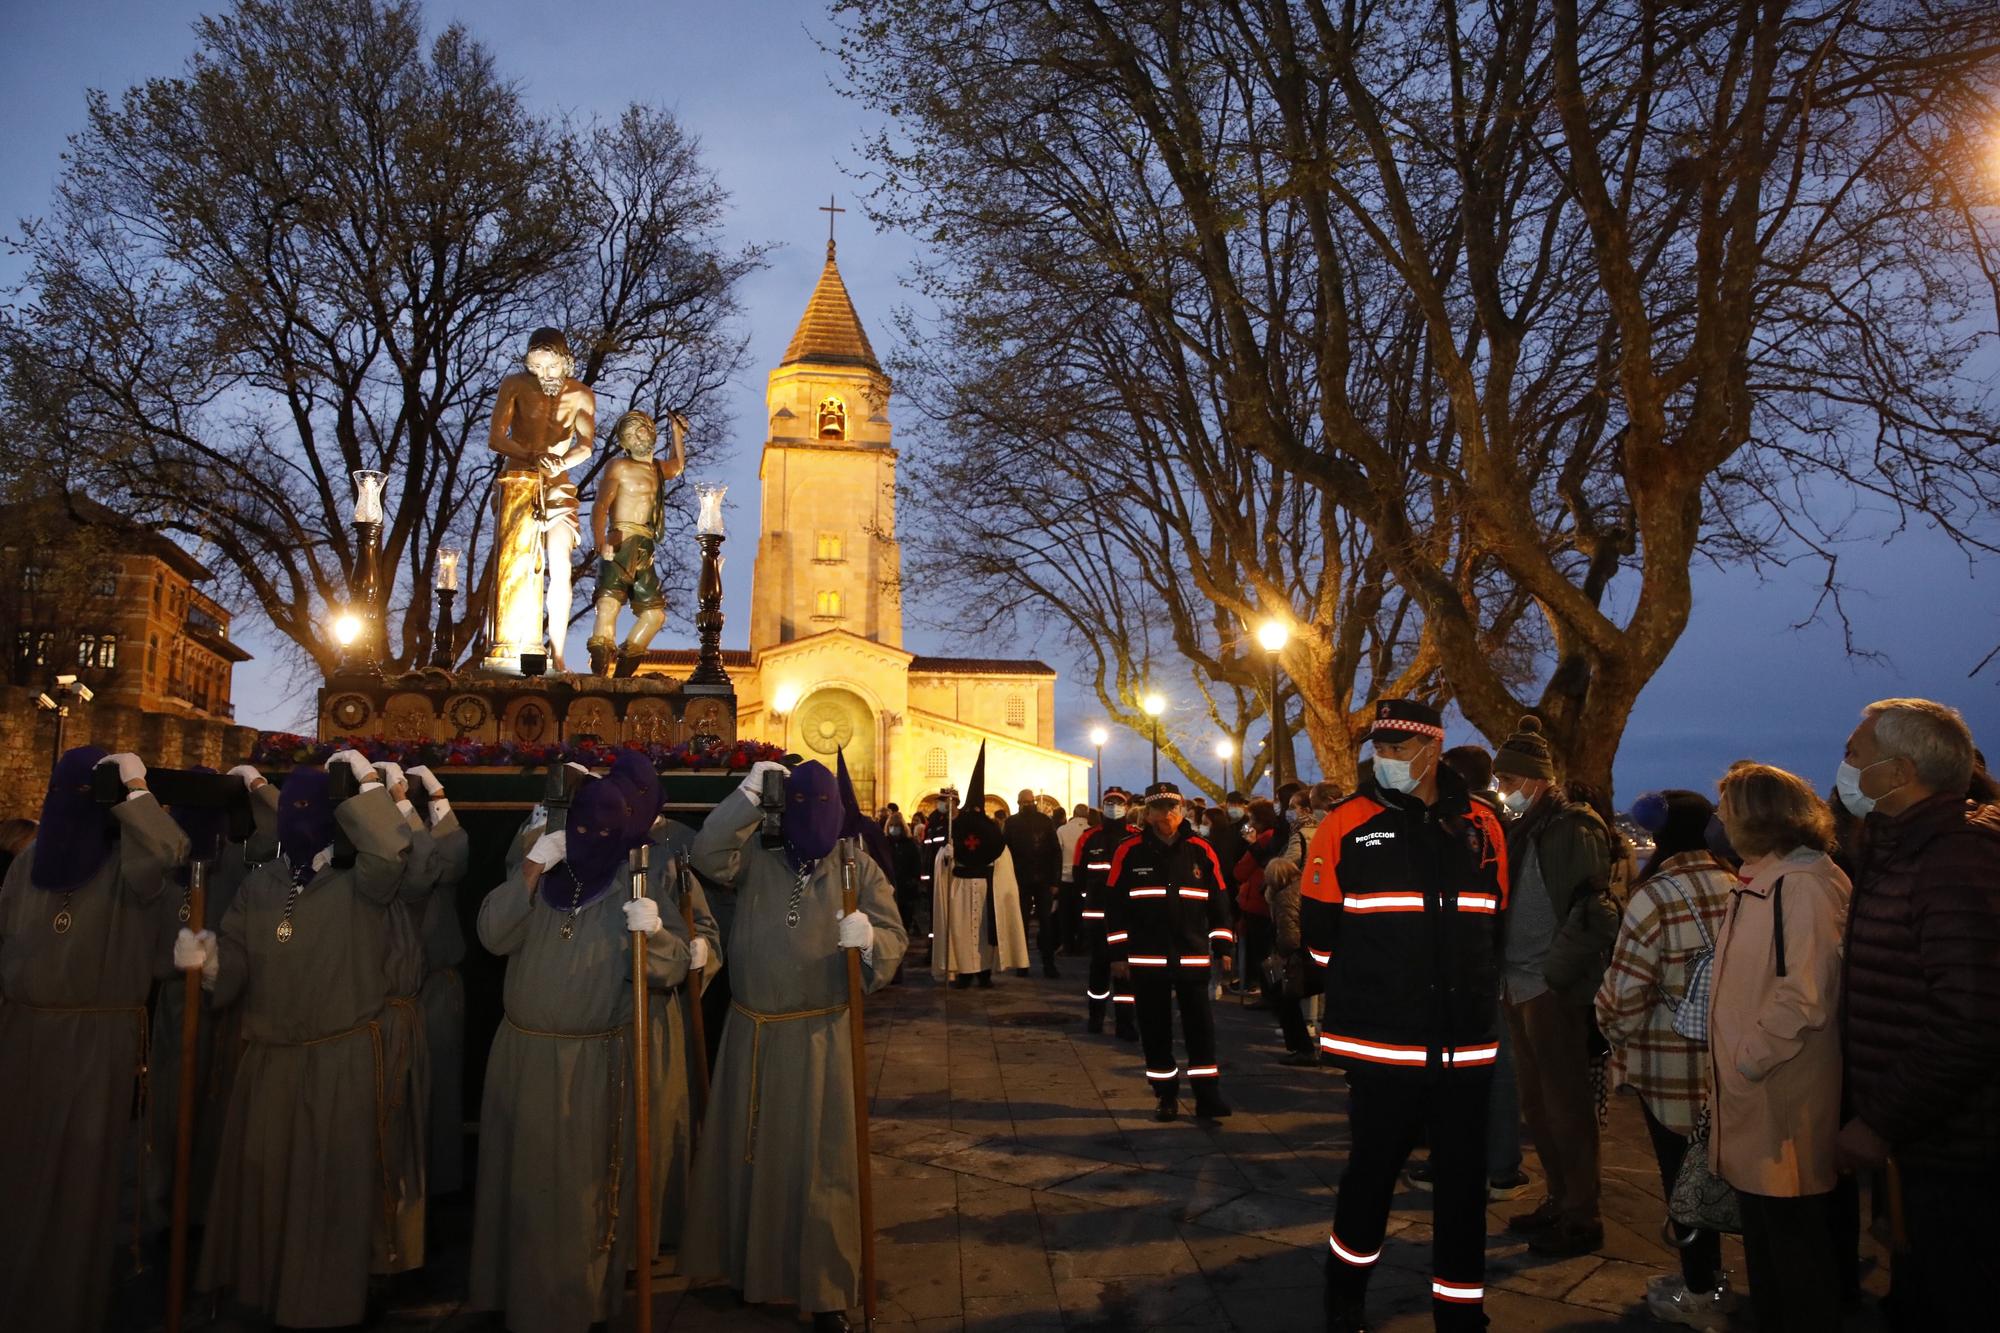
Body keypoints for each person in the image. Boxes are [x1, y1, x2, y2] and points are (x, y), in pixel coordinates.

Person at [191, 751, 423, 1327]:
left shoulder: (362, 882)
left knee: (329, 1190)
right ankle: (269, 1292)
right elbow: (239, 952)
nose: (297, 817)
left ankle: (326, 1304)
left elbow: (393, 850)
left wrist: (363, 785)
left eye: (310, 807)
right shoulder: (261, 882)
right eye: (289, 805)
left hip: (339, 1057)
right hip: (269, 1060)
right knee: (267, 1182)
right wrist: (214, 966)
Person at [1305, 699, 1510, 1333]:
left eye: (1397, 747)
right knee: (1369, 1177)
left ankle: (1460, 1310)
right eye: (1380, 748)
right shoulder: (1346, 823)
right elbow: (1318, 935)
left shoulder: (1483, 824)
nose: (1385, 758)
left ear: (1433, 747)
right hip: (1382, 1043)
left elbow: (1494, 922)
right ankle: (1345, 1299)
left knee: (1463, 1189)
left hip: (1463, 1045)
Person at [683, 759, 907, 1333]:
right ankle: (747, 1270)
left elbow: (895, 939)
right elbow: (707, 855)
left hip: (820, 1038)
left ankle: (826, 1287)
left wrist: (870, 941)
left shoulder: (856, 865)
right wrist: (748, 794)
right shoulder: (756, 853)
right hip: (751, 1032)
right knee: (748, 1156)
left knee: (821, 1166)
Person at [468, 774, 692, 1333]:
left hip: (593, 1065)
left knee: (581, 1195)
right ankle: (510, 1296)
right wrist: (531, 865)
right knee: (519, 1188)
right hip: (522, 1058)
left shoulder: (632, 884)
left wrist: (657, 933)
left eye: (604, 829)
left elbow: (672, 966)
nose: (592, 837)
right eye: (582, 827)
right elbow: (493, 935)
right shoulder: (542, 878)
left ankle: (578, 1305)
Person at [0, 748, 189, 1333]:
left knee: (81, 1183)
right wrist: (136, 789)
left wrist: (134, 791)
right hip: (28, 1034)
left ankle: (67, 1306)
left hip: (94, 1040)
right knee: (21, 1177)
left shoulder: (127, 866)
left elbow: (170, 850)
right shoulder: (26, 863)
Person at [1836, 698, 2000, 1331]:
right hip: (1925, 1147)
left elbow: (1973, 1019)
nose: (1844, 767)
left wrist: (1878, 1120)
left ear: (1899, 773)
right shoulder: (1906, 848)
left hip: (1959, 1154)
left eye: (1854, 754)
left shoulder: (1955, 858)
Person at [1708, 762, 1850, 1333]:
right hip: (1759, 1092)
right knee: (1771, 1236)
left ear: (1758, 817)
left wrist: (1748, 1058)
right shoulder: (1765, 881)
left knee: (1791, 1241)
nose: (1719, 820)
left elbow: (1805, 994)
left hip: (1779, 1093)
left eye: (1728, 809)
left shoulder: (1799, 886)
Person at [1595, 790, 1739, 1329]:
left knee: (1681, 1176)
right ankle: (1717, 1279)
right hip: (1730, 1063)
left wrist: (1613, 1033)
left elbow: (1624, 992)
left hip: (1668, 1063)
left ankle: (1700, 1290)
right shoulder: (1738, 883)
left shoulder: (1655, 895)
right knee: (1721, 1173)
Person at [1491, 714, 1614, 1257]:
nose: (1503, 792)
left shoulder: (1572, 826)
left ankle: (1581, 1213)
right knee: (1537, 1105)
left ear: (1536, 780)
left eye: (1510, 782)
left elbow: (1593, 909)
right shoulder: (1524, 827)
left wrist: (1559, 975)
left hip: (1549, 985)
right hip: (1519, 982)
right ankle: (1560, 1199)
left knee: (1565, 1106)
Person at [148, 763, 277, 1237]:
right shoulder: (161, 863)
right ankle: (167, 1207)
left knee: (217, 1112)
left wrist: (258, 787)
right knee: (170, 1108)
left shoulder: (242, 858)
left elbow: (281, 828)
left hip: (223, 1002)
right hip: (174, 1002)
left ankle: (208, 1208)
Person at [1106, 780, 1234, 1121]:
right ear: (1147, 814)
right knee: (1155, 1028)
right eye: (1160, 808)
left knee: (1201, 1028)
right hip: (1147, 958)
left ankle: (1208, 1096)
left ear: (1183, 810)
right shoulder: (1129, 851)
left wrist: (1223, 943)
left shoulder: (1201, 850)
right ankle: (1165, 1095)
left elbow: (1219, 899)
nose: (1168, 814)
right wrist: (1118, 955)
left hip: (1191, 954)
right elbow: (1114, 905)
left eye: (1173, 807)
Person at [486, 326, 597, 671]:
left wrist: (560, 462)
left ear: (565, 361)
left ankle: (559, 653)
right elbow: (496, 436)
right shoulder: (515, 386)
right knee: (513, 566)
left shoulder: (581, 395)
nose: (544, 374)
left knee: (561, 566)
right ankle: (506, 644)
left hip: (557, 484)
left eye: (551, 366)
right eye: (537, 366)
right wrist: (532, 455)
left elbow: (586, 445)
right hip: (519, 479)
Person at [405, 764, 472, 1197]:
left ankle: (436, 1191)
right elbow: (422, 860)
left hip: (434, 991)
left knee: (438, 1097)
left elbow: (449, 859)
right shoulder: (394, 853)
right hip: (399, 994)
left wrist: (436, 796)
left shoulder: (439, 856)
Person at [586, 408, 688, 675]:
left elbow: (677, 466)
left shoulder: (656, 469)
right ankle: (598, 673)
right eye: (630, 434)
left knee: (655, 615)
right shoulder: (619, 466)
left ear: (651, 431)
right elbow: (600, 505)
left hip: (645, 546)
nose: (637, 435)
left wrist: (677, 432)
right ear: (625, 443)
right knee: (608, 605)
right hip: (620, 540)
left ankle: (622, 674)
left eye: (641, 429)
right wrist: (600, 541)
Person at [931, 747, 1027, 987]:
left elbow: (1001, 855)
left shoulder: (990, 830)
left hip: (985, 888)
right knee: (961, 931)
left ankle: (984, 973)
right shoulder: (956, 827)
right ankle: (964, 972)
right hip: (960, 886)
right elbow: (943, 859)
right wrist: (946, 855)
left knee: (984, 932)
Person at [1076, 787, 1141, 1038]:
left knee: (1125, 971)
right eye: (1109, 802)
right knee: (1099, 967)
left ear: (1125, 807)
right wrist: (1086, 902)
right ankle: (1096, 1017)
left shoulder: (1136, 837)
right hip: (1096, 915)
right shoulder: (1089, 838)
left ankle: (1126, 1023)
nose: (1114, 806)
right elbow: (1079, 875)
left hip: (1127, 916)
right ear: (1103, 806)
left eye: (1118, 802)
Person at [1004, 785, 1064, 977]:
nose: (1028, 805)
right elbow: (1006, 851)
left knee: (1045, 923)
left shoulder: (1045, 821)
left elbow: (1055, 851)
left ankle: (1048, 963)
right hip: (1021, 879)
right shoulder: (1012, 823)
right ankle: (1022, 963)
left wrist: (1055, 881)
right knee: (1021, 922)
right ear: (1019, 803)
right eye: (1024, 802)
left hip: (1043, 879)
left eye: (1030, 802)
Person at [1056, 801, 1091, 954]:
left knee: (1065, 914)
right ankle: (1082, 943)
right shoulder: (1091, 831)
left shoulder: (1062, 830)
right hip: (1085, 879)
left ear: (1074, 815)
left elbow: (1057, 854)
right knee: (1082, 912)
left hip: (1065, 878)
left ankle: (1067, 944)